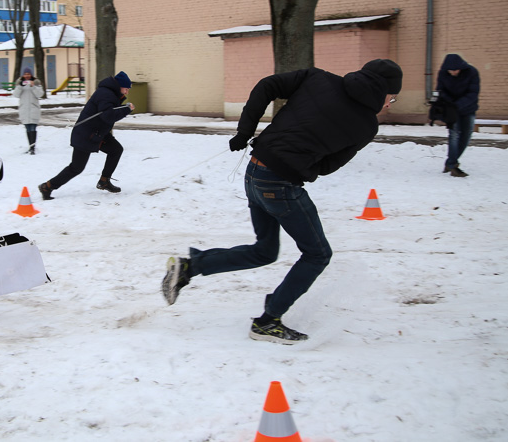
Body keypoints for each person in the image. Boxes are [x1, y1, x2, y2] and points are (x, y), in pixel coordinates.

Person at [162, 59, 403, 345]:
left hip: (253, 173)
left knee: (264, 251)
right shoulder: (366, 125)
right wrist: (302, 164)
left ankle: (190, 267)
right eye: (393, 97)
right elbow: (328, 166)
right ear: (384, 91)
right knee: (317, 254)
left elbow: (268, 85)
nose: (390, 104)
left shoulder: (319, 78)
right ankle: (269, 321)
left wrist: (245, 130)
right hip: (280, 185)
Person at [39, 71, 135, 199]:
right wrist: (126, 109)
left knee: (116, 150)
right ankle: (47, 186)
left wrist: (122, 104)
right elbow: (108, 116)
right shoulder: (106, 94)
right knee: (76, 168)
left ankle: (104, 181)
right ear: (119, 86)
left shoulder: (110, 93)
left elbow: (108, 111)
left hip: (97, 133)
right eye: (126, 89)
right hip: (86, 135)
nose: (127, 92)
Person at [436, 54, 480, 177]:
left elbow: (473, 93)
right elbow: (440, 90)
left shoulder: (472, 72)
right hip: (451, 111)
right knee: (454, 135)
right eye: (450, 70)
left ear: (461, 67)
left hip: (468, 109)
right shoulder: (443, 73)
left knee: (466, 136)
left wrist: (457, 105)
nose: (453, 73)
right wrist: (450, 104)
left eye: (455, 70)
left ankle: (450, 162)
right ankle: (452, 165)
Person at [12, 67, 45, 154]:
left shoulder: (36, 83)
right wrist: (20, 86)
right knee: (27, 128)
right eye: (25, 74)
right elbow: (15, 95)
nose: (27, 76)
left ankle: (33, 148)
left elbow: (40, 94)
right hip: (24, 109)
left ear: (31, 75)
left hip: (34, 109)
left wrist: (33, 86)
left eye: (28, 74)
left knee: (33, 128)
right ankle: (30, 146)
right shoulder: (19, 84)